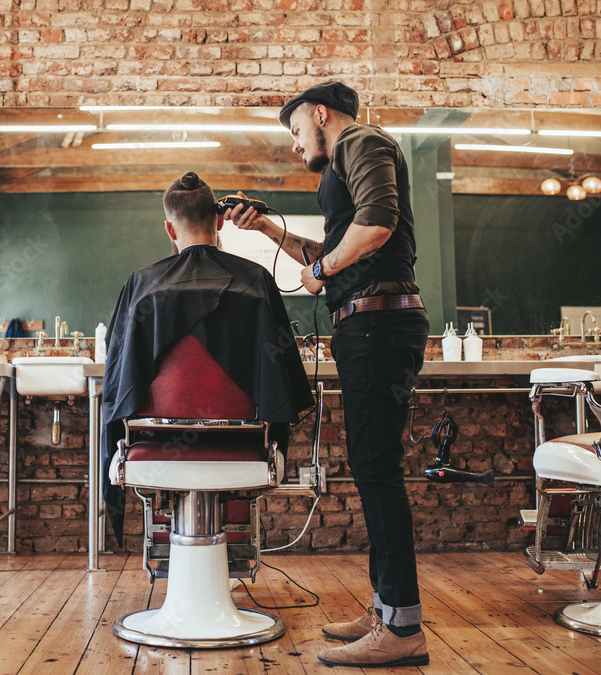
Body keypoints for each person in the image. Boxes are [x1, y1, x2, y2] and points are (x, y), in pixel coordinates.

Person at [227, 81, 430, 668]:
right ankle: (386, 609)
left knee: (378, 471)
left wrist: (322, 266)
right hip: (367, 323)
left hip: (378, 326)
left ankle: (402, 627)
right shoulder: (347, 161)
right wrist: (268, 230)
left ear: (321, 114)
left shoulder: (359, 142)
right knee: (372, 469)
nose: (295, 145)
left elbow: (377, 227)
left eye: (295, 131)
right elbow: (338, 251)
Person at [101, 171, 314, 546]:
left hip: (158, 441)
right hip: (242, 442)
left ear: (170, 229)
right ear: (219, 221)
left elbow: (120, 379)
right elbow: (281, 381)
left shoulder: (140, 285)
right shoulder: (257, 281)